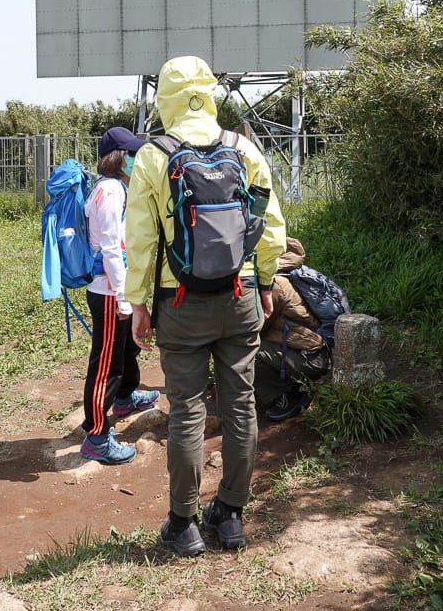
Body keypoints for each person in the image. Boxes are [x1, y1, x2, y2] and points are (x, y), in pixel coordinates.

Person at [124, 56, 287, 555]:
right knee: (241, 406)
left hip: (181, 303)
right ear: (211, 93)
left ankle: (184, 524)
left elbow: (142, 240)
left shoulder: (154, 155)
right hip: (239, 298)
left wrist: (138, 304)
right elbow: (269, 226)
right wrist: (262, 282)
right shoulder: (243, 148)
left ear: (165, 98)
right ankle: (232, 516)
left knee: (188, 412)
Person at [79, 126, 160, 465]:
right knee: (106, 364)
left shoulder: (111, 187)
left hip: (115, 288)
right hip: (110, 291)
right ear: (117, 157)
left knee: (126, 349)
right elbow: (112, 248)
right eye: (130, 154)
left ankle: (125, 397)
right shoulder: (111, 191)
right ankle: (96, 435)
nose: (134, 159)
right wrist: (125, 298)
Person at [254, 237, 332, 421]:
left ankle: (287, 396)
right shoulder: (288, 274)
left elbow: (255, 328)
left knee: (245, 350)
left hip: (310, 360)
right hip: (310, 353)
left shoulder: (275, 286)